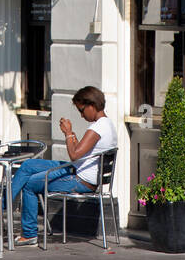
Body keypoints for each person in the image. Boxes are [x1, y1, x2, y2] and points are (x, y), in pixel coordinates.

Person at [9, 86, 118, 247]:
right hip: (77, 170)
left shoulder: (97, 128)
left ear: (91, 106)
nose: (81, 115)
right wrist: (71, 133)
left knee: (30, 185)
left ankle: (29, 234)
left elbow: (74, 155)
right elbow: (80, 152)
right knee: (29, 164)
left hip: (80, 180)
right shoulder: (106, 125)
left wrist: (67, 133)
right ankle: (1, 205)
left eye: (82, 110)